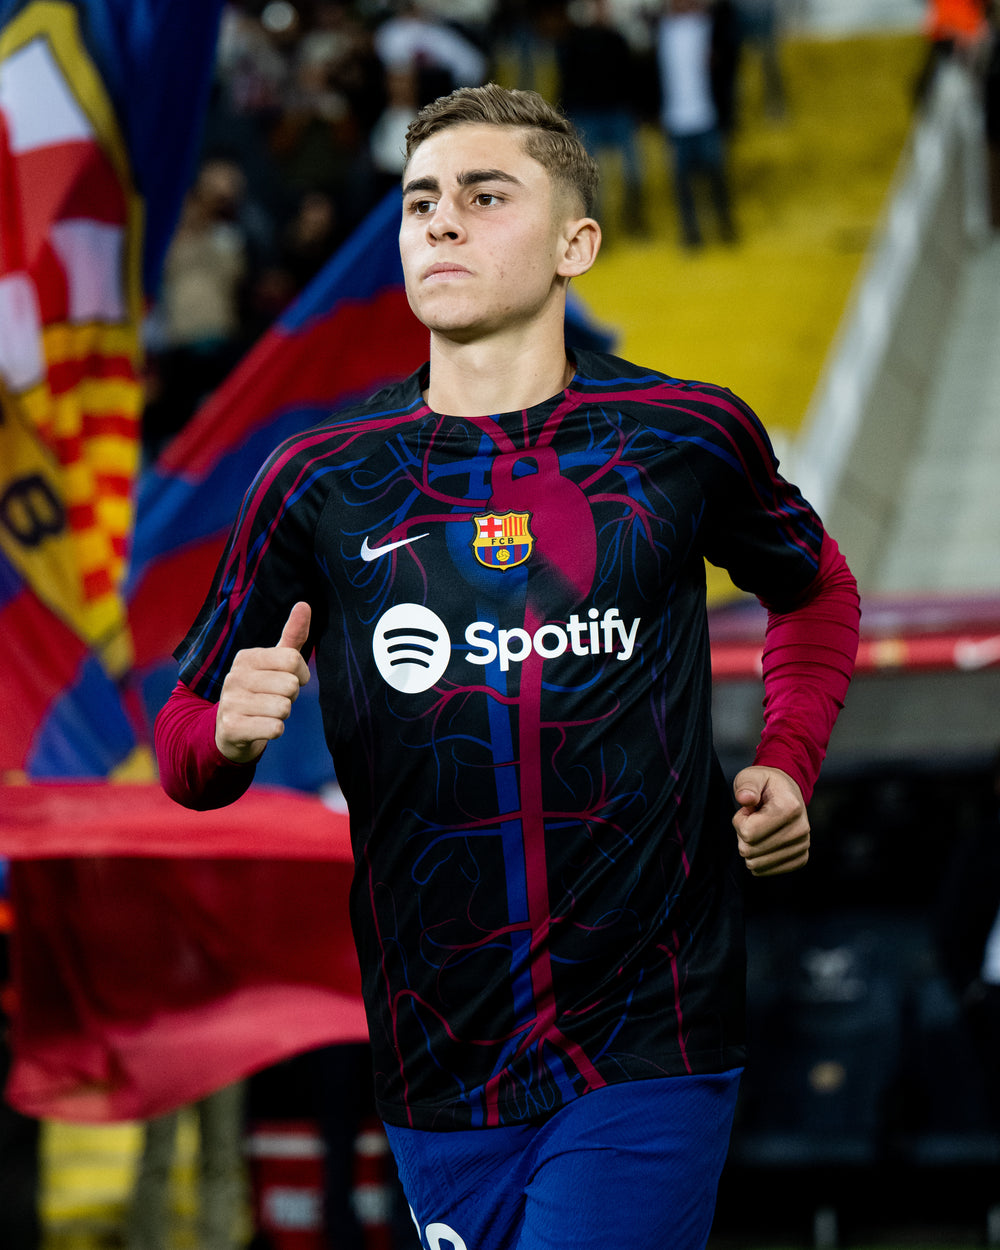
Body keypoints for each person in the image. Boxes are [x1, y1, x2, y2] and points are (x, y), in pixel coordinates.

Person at [156, 82, 860, 1250]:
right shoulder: (318, 478)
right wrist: (226, 735)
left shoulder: (684, 435)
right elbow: (183, 748)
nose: (441, 219)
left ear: (575, 243)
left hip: (650, 1029)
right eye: (420, 200)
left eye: (486, 196)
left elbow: (815, 588)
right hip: (436, 1054)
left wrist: (787, 757)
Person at [657, 0, 741, 248]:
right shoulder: (662, 30)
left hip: (707, 116)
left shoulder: (711, 25)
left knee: (717, 179)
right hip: (675, 119)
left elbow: (730, 54)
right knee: (682, 186)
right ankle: (691, 235)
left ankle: (725, 227)